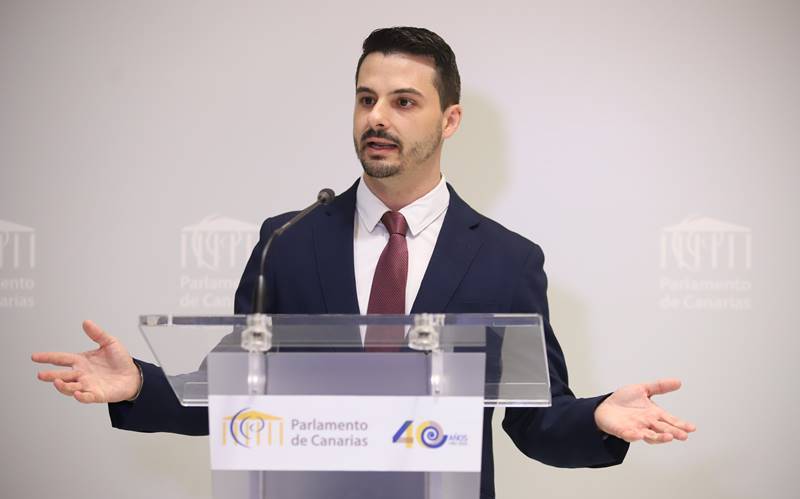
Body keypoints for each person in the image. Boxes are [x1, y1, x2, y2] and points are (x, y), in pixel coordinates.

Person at [32, 26, 695, 499]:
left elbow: (535, 419)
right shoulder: (287, 241)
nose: (377, 117)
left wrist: (598, 416)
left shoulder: (506, 260)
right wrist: (138, 385)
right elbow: (236, 393)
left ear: (450, 120)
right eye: (365, 98)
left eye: (404, 101)